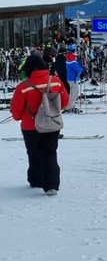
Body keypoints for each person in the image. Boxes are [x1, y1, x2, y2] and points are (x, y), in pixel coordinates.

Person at [10, 53, 70, 195]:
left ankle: (36, 179)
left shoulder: (23, 87)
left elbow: (16, 110)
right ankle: (52, 184)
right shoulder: (55, 81)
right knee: (50, 153)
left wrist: (21, 116)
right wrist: (52, 111)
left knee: (33, 153)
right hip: (52, 123)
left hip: (30, 127)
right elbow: (65, 101)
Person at [65, 44, 85, 113]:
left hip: (71, 78)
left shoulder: (68, 59)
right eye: (75, 51)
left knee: (72, 93)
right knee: (74, 93)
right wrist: (82, 69)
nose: (76, 52)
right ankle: (70, 107)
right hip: (73, 79)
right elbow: (78, 70)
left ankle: (70, 106)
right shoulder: (72, 61)